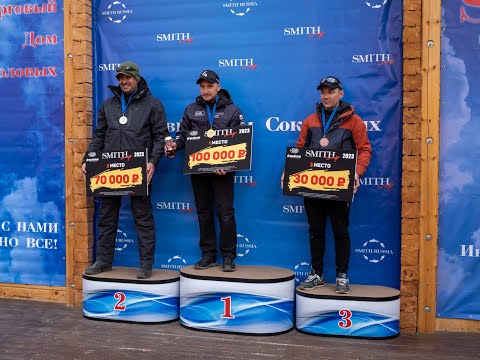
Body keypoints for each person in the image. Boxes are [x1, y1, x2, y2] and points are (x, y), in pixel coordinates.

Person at [82, 61, 169, 279]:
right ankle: (103, 261)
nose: (124, 81)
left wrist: (152, 162)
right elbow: (99, 137)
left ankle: (146, 264)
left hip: (138, 169)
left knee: (143, 217)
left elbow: (160, 137)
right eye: (120, 77)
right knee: (106, 216)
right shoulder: (108, 105)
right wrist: (88, 159)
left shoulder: (153, 104)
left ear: (137, 79)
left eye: (128, 77)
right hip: (109, 169)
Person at [295, 76, 372, 294]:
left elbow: (365, 150)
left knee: (341, 231)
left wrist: (357, 173)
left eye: (331, 92)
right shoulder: (310, 121)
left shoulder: (354, 121)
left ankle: (342, 274)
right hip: (313, 185)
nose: (326, 96)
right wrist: (289, 171)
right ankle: (317, 273)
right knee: (315, 231)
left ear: (341, 93)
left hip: (339, 186)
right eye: (323, 92)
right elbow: (300, 150)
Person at [165, 70, 243, 272]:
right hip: (199, 170)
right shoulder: (191, 109)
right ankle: (208, 255)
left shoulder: (233, 110)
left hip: (223, 172)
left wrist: (226, 165)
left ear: (218, 86)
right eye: (202, 86)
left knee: (225, 213)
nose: (206, 90)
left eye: (209, 86)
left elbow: (240, 141)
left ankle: (228, 256)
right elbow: (183, 136)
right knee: (203, 212)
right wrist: (174, 145)